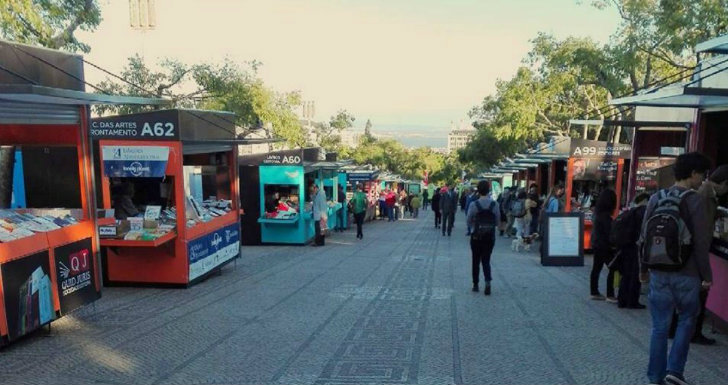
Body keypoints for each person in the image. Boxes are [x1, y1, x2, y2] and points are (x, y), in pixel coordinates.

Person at [641, 152, 712, 385]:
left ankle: (655, 376)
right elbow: (702, 243)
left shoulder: (656, 198)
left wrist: (644, 268)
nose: (703, 180)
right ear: (693, 174)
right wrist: (707, 276)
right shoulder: (696, 201)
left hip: (659, 272)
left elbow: (643, 237)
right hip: (687, 274)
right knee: (686, 320)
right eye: (702, 175)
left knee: (659, 327)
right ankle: (675, 371)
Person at [670, 164, 728, 345]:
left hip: (687, 254)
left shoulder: (703, 194)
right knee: (696, 296)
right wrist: (706, 274)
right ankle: (692, 332)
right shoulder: (705, 196)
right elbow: (701, 234)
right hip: (694, 255)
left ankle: (678, 330)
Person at [616, 193, 649, 309]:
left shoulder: (629, 212)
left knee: (626, 274)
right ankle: (632, 301)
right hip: (636, 246)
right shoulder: (642, 212)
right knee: (635, 275)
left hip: (625, 246)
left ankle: (622, 300)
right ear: (645, 200)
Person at [467, 180, 500, 295]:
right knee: (486, 260)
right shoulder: (494, 204)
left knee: (475, 260)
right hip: (489, 237)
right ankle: (487, 281)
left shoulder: (473, 204)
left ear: (478, 190)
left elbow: (468, 220)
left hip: (476, 236)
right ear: (488, 190)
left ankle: (475, 284)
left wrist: (473, 227)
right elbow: (497, 221)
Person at [590, 189, 617, 302]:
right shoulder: (606, 217)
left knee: (596, 268)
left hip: (597, 243)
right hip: (604, 245)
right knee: (613, 267)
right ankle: (610, 294)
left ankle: (594, 292)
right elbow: (609, 232)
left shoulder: (598, 214)